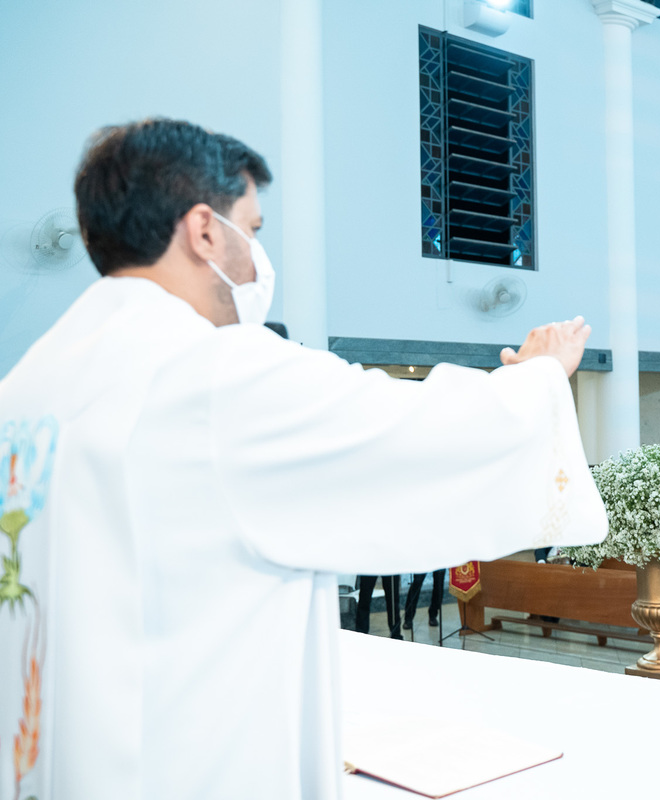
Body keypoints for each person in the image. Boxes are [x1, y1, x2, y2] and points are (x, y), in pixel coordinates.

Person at [0, 119, 608, 800]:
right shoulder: (210, 374)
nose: (257, 256)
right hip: (185, 761)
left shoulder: (30, 385)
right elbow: (412, 434)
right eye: (251, 230)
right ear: (204, 230)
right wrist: (540, 379)